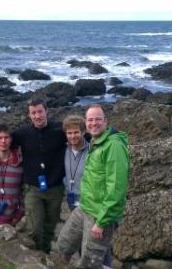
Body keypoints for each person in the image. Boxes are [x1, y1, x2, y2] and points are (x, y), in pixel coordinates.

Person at [0, 99, 66, 253]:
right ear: (29, 115)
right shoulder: (23, 133)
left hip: (55, 188)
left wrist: (113, 134)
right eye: (33, 113)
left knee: (50, 227)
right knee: (34, 228)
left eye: (40, 111)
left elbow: (83, 135)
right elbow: (2, 140)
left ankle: (45, 253)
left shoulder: (60, 129)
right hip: (32, 189)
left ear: (46, 111)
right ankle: (36, 256)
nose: (37, 116)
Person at [56, 104, 129, 269]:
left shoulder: (114, 146)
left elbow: (117, 189)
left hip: (100, 215)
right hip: (84, 207)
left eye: (98, 119)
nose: (93, 123)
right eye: (90, 119)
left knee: (90, 262)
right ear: (86, 123)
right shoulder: (95, 142)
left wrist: (102, 222)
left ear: (106, 122)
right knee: (63, 246)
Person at [62, 115, 89, 211]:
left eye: (76, 132)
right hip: (71, 200)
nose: (72, 136)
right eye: (69, 133)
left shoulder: (92, 151)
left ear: (83, 132)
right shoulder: (64, 150)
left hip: (87, 203)